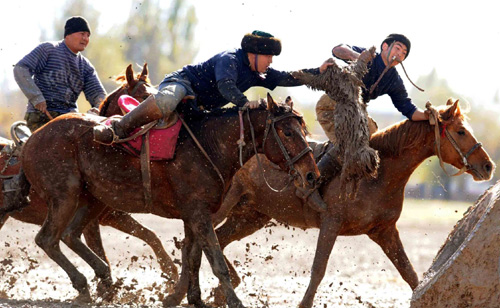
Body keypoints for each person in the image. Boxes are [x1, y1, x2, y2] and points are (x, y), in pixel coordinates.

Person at [93, 30, 332, 212]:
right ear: (254, 54)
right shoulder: (228, 59)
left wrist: (319, 72)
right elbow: (225, 86)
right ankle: (118, 127)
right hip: (182, 85)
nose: (270, 62)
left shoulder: (257, 72)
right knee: (166, 102)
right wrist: (243, 102)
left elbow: (287, 77)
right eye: (268, 56)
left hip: (198, 108)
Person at [314, 33, 429, 191]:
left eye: (404, 53)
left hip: (356, 112)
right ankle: (312, 184)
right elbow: (337, 49)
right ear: (385, 47)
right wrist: (357, 57)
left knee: (375, 142)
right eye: (398, 48)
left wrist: (428, 116)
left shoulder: (394, 80)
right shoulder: (368, 56)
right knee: (350, 145)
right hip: (332, 106)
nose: (400, 54)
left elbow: (408, 108)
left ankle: (364, 192)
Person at [14, 16, 106, 132]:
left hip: (70, 118)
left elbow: (98, 94)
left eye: (88, 36)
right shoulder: (48, 49)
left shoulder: (85, 66)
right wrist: (36, 97)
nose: (85, 39)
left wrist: (98, 108)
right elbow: (20, 69)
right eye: (82, 33)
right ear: (68, 34)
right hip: (42, 116)